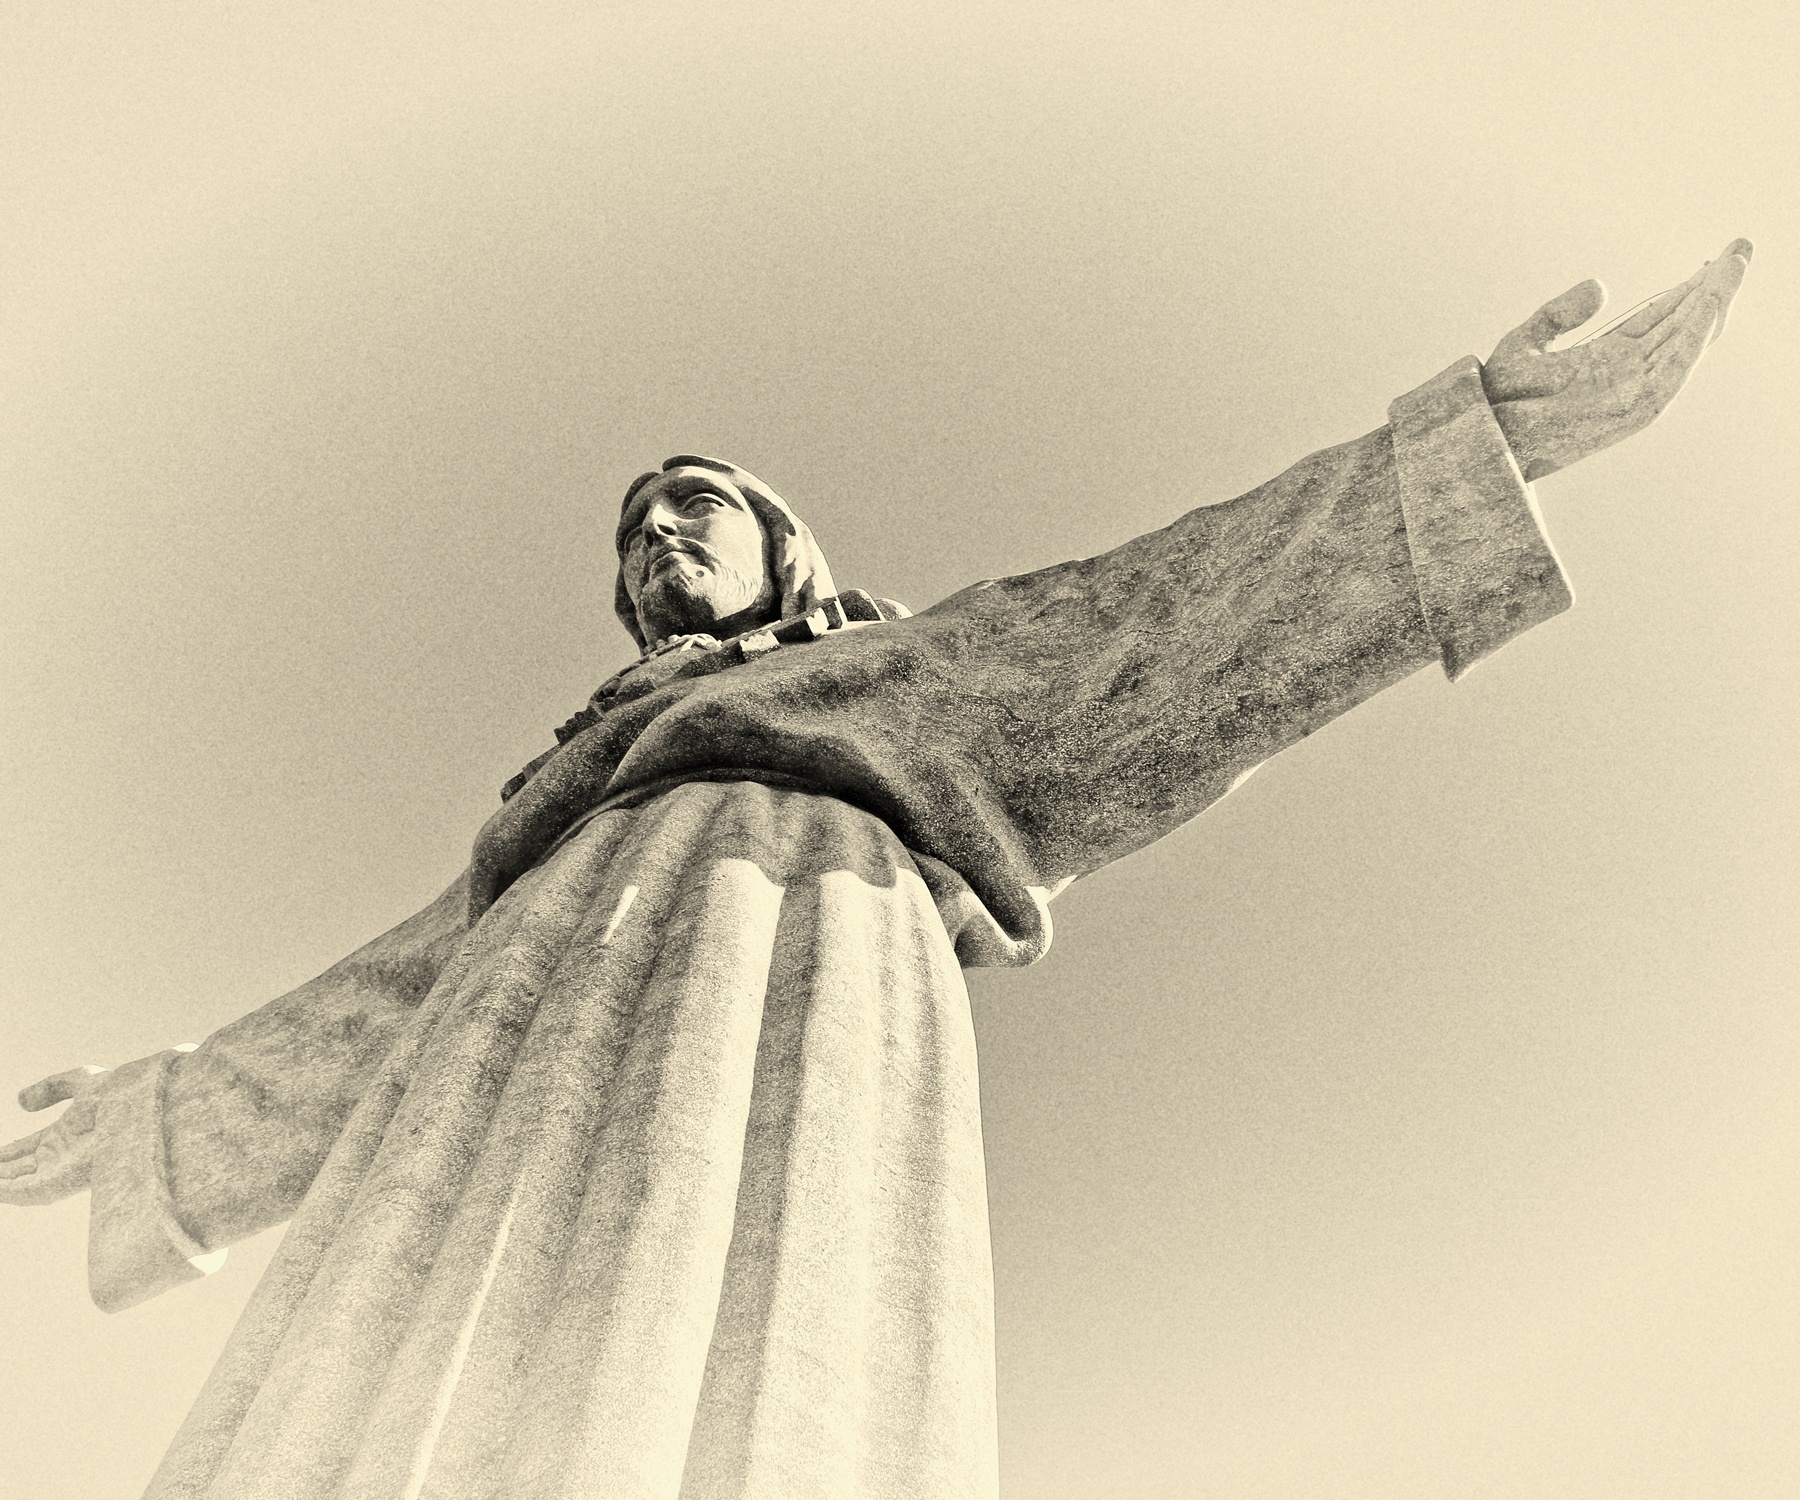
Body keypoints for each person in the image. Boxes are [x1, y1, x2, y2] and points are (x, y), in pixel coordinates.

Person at [1, 242, 1753, 1500]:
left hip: (798, 956)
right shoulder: (557, 801)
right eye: (635, 532)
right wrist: (167, 1114)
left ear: (784, 550)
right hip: (501, 1061)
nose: (660, 534)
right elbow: (398, 989)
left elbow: (1158, 619)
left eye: (697, 505)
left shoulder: (907, 677)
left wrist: (1463, 454)